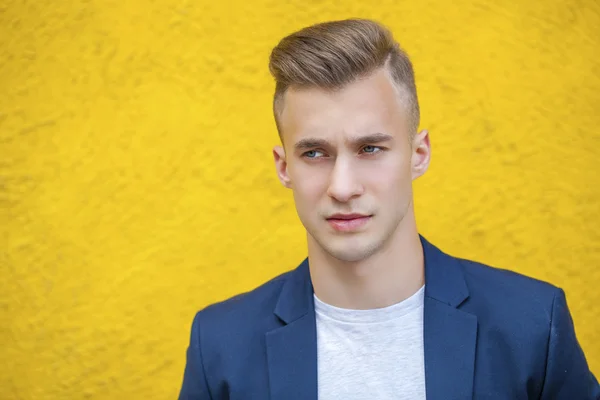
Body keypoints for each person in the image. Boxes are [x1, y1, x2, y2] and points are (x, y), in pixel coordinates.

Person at [178, 18, 599, 399]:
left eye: (371, 148)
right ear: (283, 166)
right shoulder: (219, 346)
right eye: (314, 153)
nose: (342, 187)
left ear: (419, 154)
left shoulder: (530, 326)